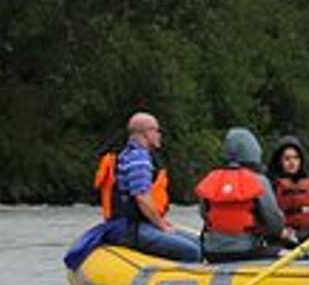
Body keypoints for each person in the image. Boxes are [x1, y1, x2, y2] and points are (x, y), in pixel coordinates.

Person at [105, 112, 201, 262]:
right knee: (191, 250)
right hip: (131, 229)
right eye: (156, 130)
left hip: (136, 225)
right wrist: (161, 225)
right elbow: (142, 198)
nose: (159, 135)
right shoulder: (139, 159)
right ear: (146, 133)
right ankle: (182, 283)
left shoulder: (127, 153)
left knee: (199, 243)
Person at [195, 127, 287, 261]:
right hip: (247, 251)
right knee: (283, 252)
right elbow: (275, 223)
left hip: (212, 252)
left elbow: (204, 214)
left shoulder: (211, 179)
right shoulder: (259, 180)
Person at [267, 135, 309, 242]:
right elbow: (267, 219)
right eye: (287, 159)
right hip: (282, 244)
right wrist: (284, 234)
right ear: (279, 161)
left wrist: (302, 235)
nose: (292, 162)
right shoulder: (271, 185)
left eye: (296, 158)